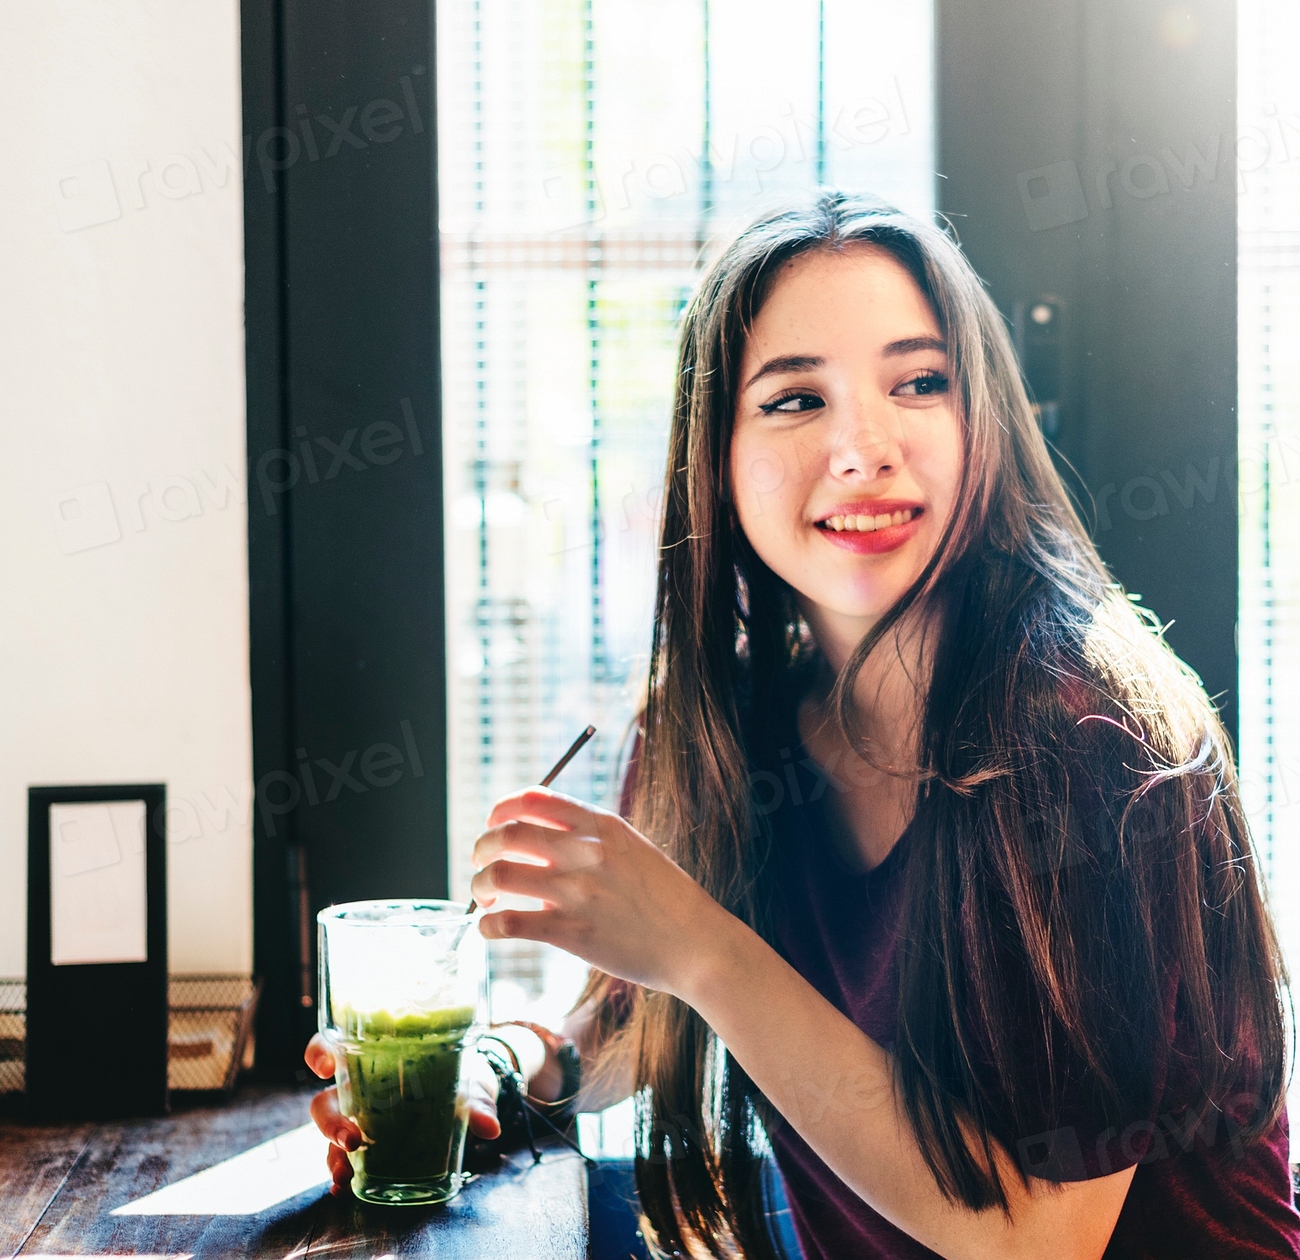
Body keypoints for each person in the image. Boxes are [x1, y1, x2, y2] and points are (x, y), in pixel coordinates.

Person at [308, 192, 1299, 1259]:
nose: (863, 449)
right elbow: (631, 1024)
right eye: (792, 400)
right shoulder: (727, 726)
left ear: (985, 427)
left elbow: (1040, 1240)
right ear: (718, 460)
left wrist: (697, 946)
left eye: (919, 383)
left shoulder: (1089, 736)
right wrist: (497, 1065)